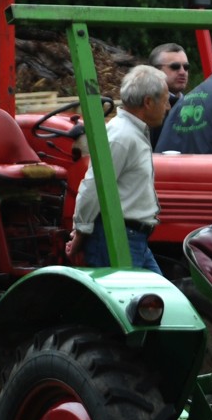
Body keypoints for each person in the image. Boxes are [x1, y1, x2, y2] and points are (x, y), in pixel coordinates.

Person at [68, 64, 170, 274]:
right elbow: (94, 185)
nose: (168, 107)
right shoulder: (122, 136)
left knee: (160, 292)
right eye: (165, 100)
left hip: (134, 238)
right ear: (148, 102)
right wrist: (81, 231)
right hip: (118, 238)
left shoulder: (133, 133)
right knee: (129, 295)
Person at [148, 42, 190, 148]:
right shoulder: (147, 107)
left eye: (186, 67)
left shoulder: (194, 103)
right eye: (175, 67)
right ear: (155, 71)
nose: (182, 72)